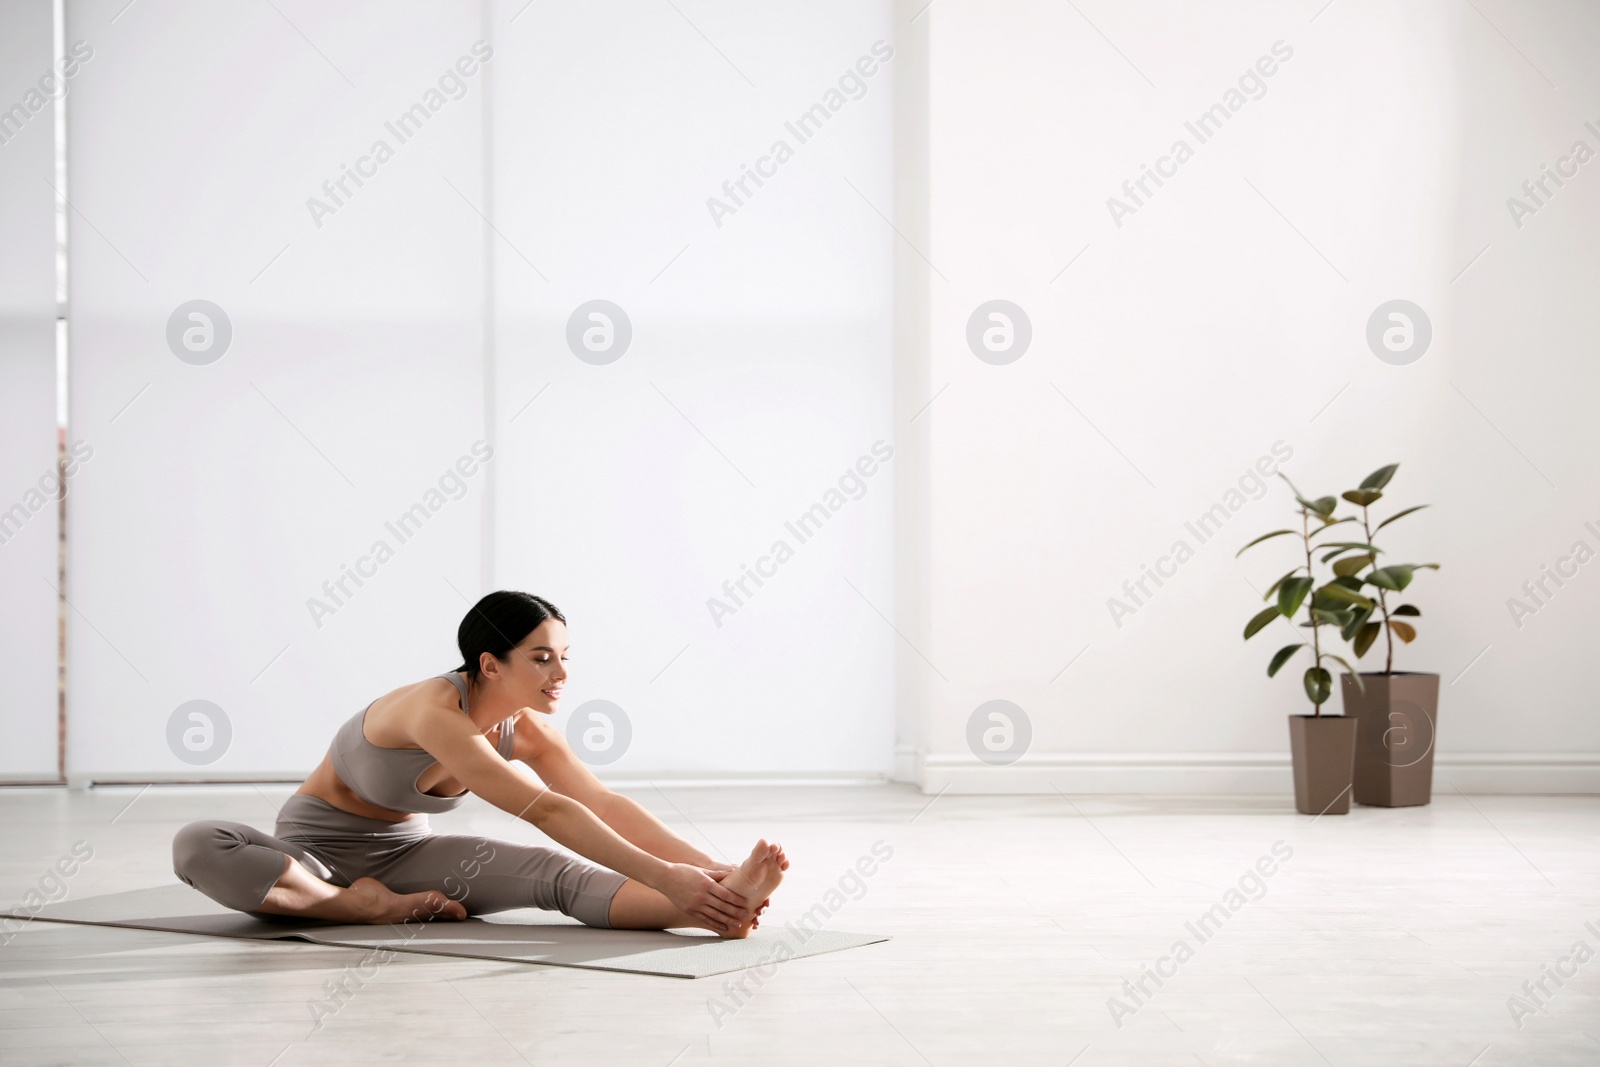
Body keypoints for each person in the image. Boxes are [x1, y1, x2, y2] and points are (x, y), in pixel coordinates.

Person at [172, 591, 786, 935]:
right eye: (542, 658)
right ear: (490, 664)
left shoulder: (531, 733)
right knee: (198, 843)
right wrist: (661, 872)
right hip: (310, 857)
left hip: (407, 857)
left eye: (565, 656)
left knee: (555, 876)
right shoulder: (431, 712)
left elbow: (602, 805)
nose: (562, 674)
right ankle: (356, 907)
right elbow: (544, 807)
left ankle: (717, 909)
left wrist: (701, 868)